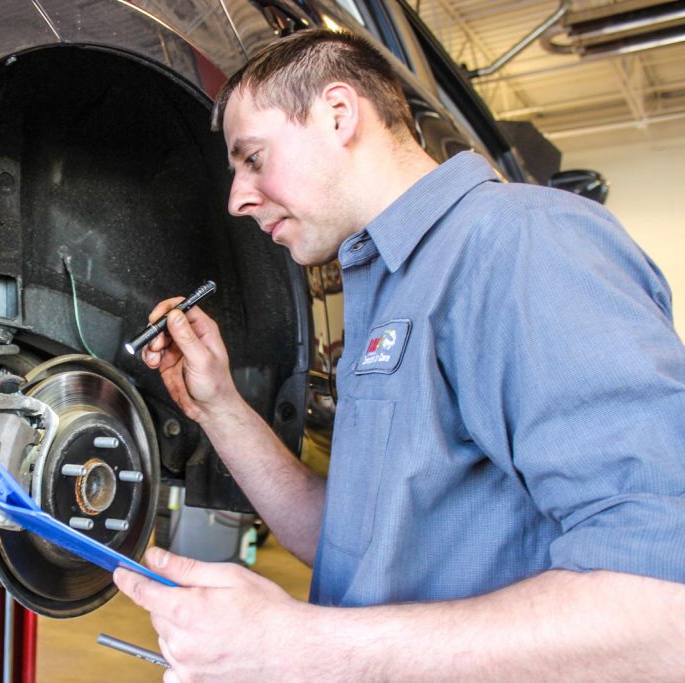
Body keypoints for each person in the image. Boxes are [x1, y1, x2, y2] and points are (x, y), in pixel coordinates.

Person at [112, 28, 685, 682]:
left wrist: (300, 647)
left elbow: (664, 609)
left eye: (254, 158)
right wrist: (218, 406)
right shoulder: (388, 285)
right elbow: (356, 544)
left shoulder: (522, 244)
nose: (236, 199)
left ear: (338, 114)